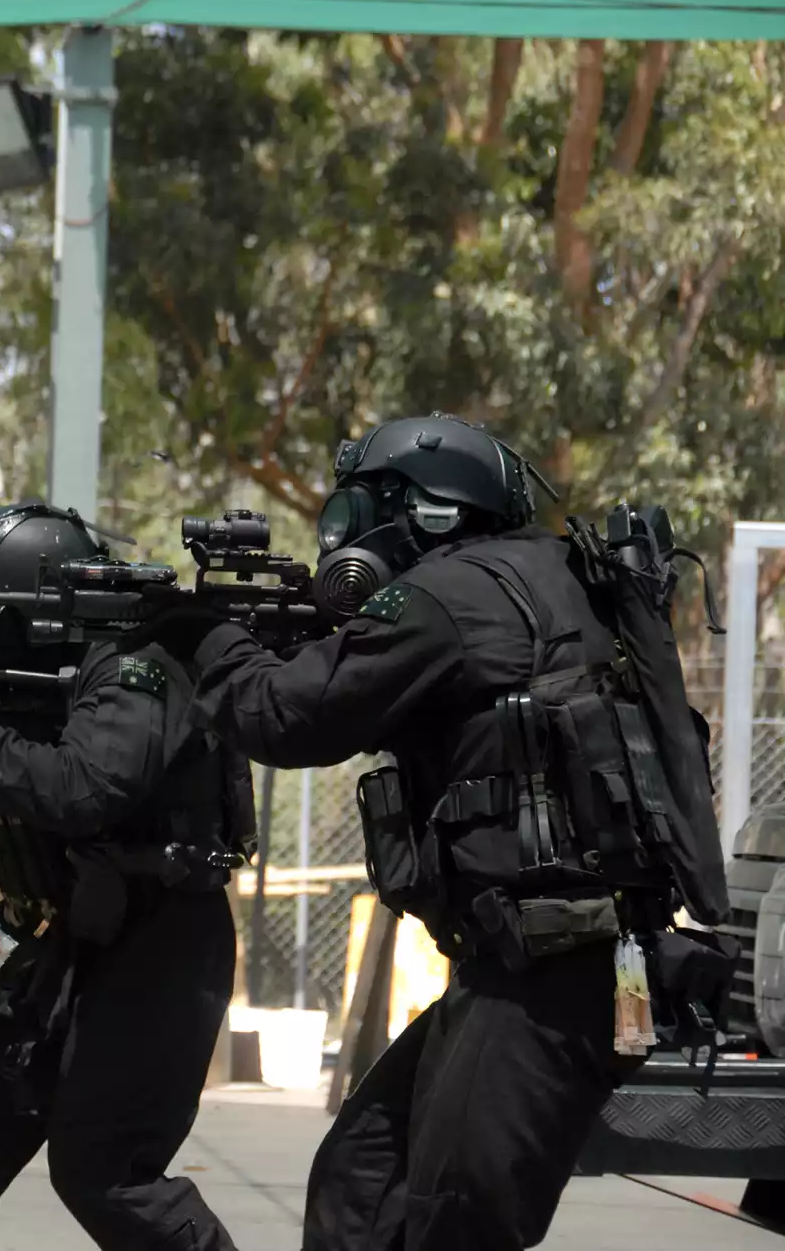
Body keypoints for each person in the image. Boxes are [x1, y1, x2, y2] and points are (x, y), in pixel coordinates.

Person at [178, 413, 732, 1251]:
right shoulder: (552, 574)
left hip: (546, 979)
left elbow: (285, 717)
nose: (347, 540)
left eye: (359, 513)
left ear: (426, 510)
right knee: (363, 1186)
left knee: (454, 1222)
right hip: (553, 965)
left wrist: (207, 636)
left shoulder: (446, 597)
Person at [0, 504, 250, 1251]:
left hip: (158, 942)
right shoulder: (34, 681)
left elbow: (85, 787)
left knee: (108, 1172)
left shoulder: (139, 663)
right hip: (65, 937)